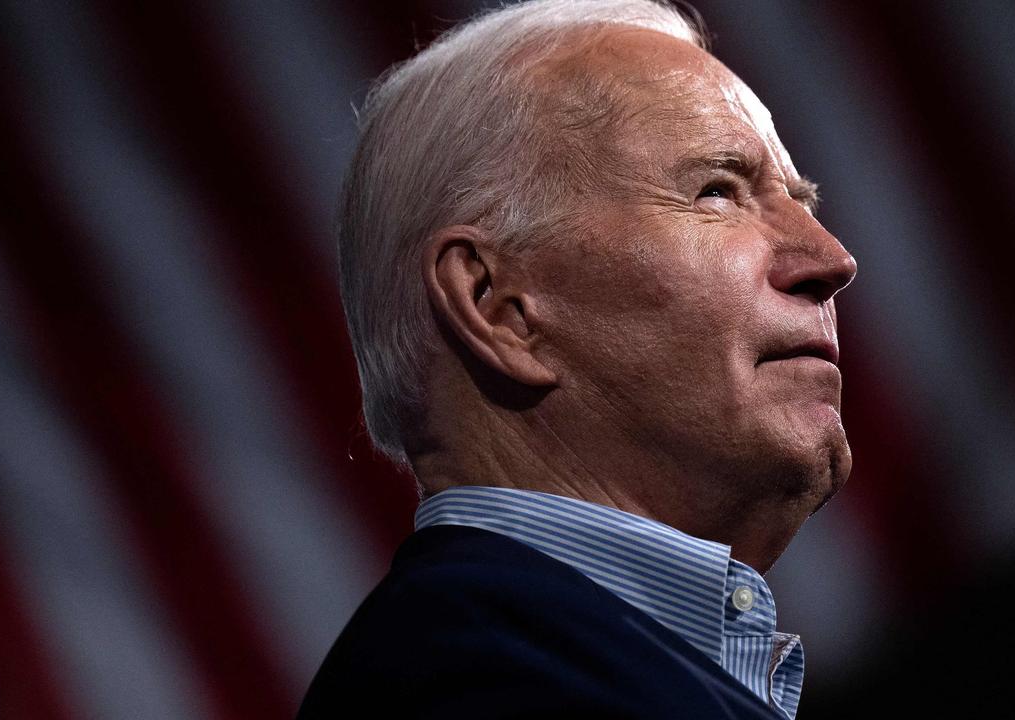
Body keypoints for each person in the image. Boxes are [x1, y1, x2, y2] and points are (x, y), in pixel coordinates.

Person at [300, 0, 857, 717]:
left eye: (801, 200)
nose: (831, 259)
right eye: (718, 191)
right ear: (498, 305)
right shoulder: (481, 689)